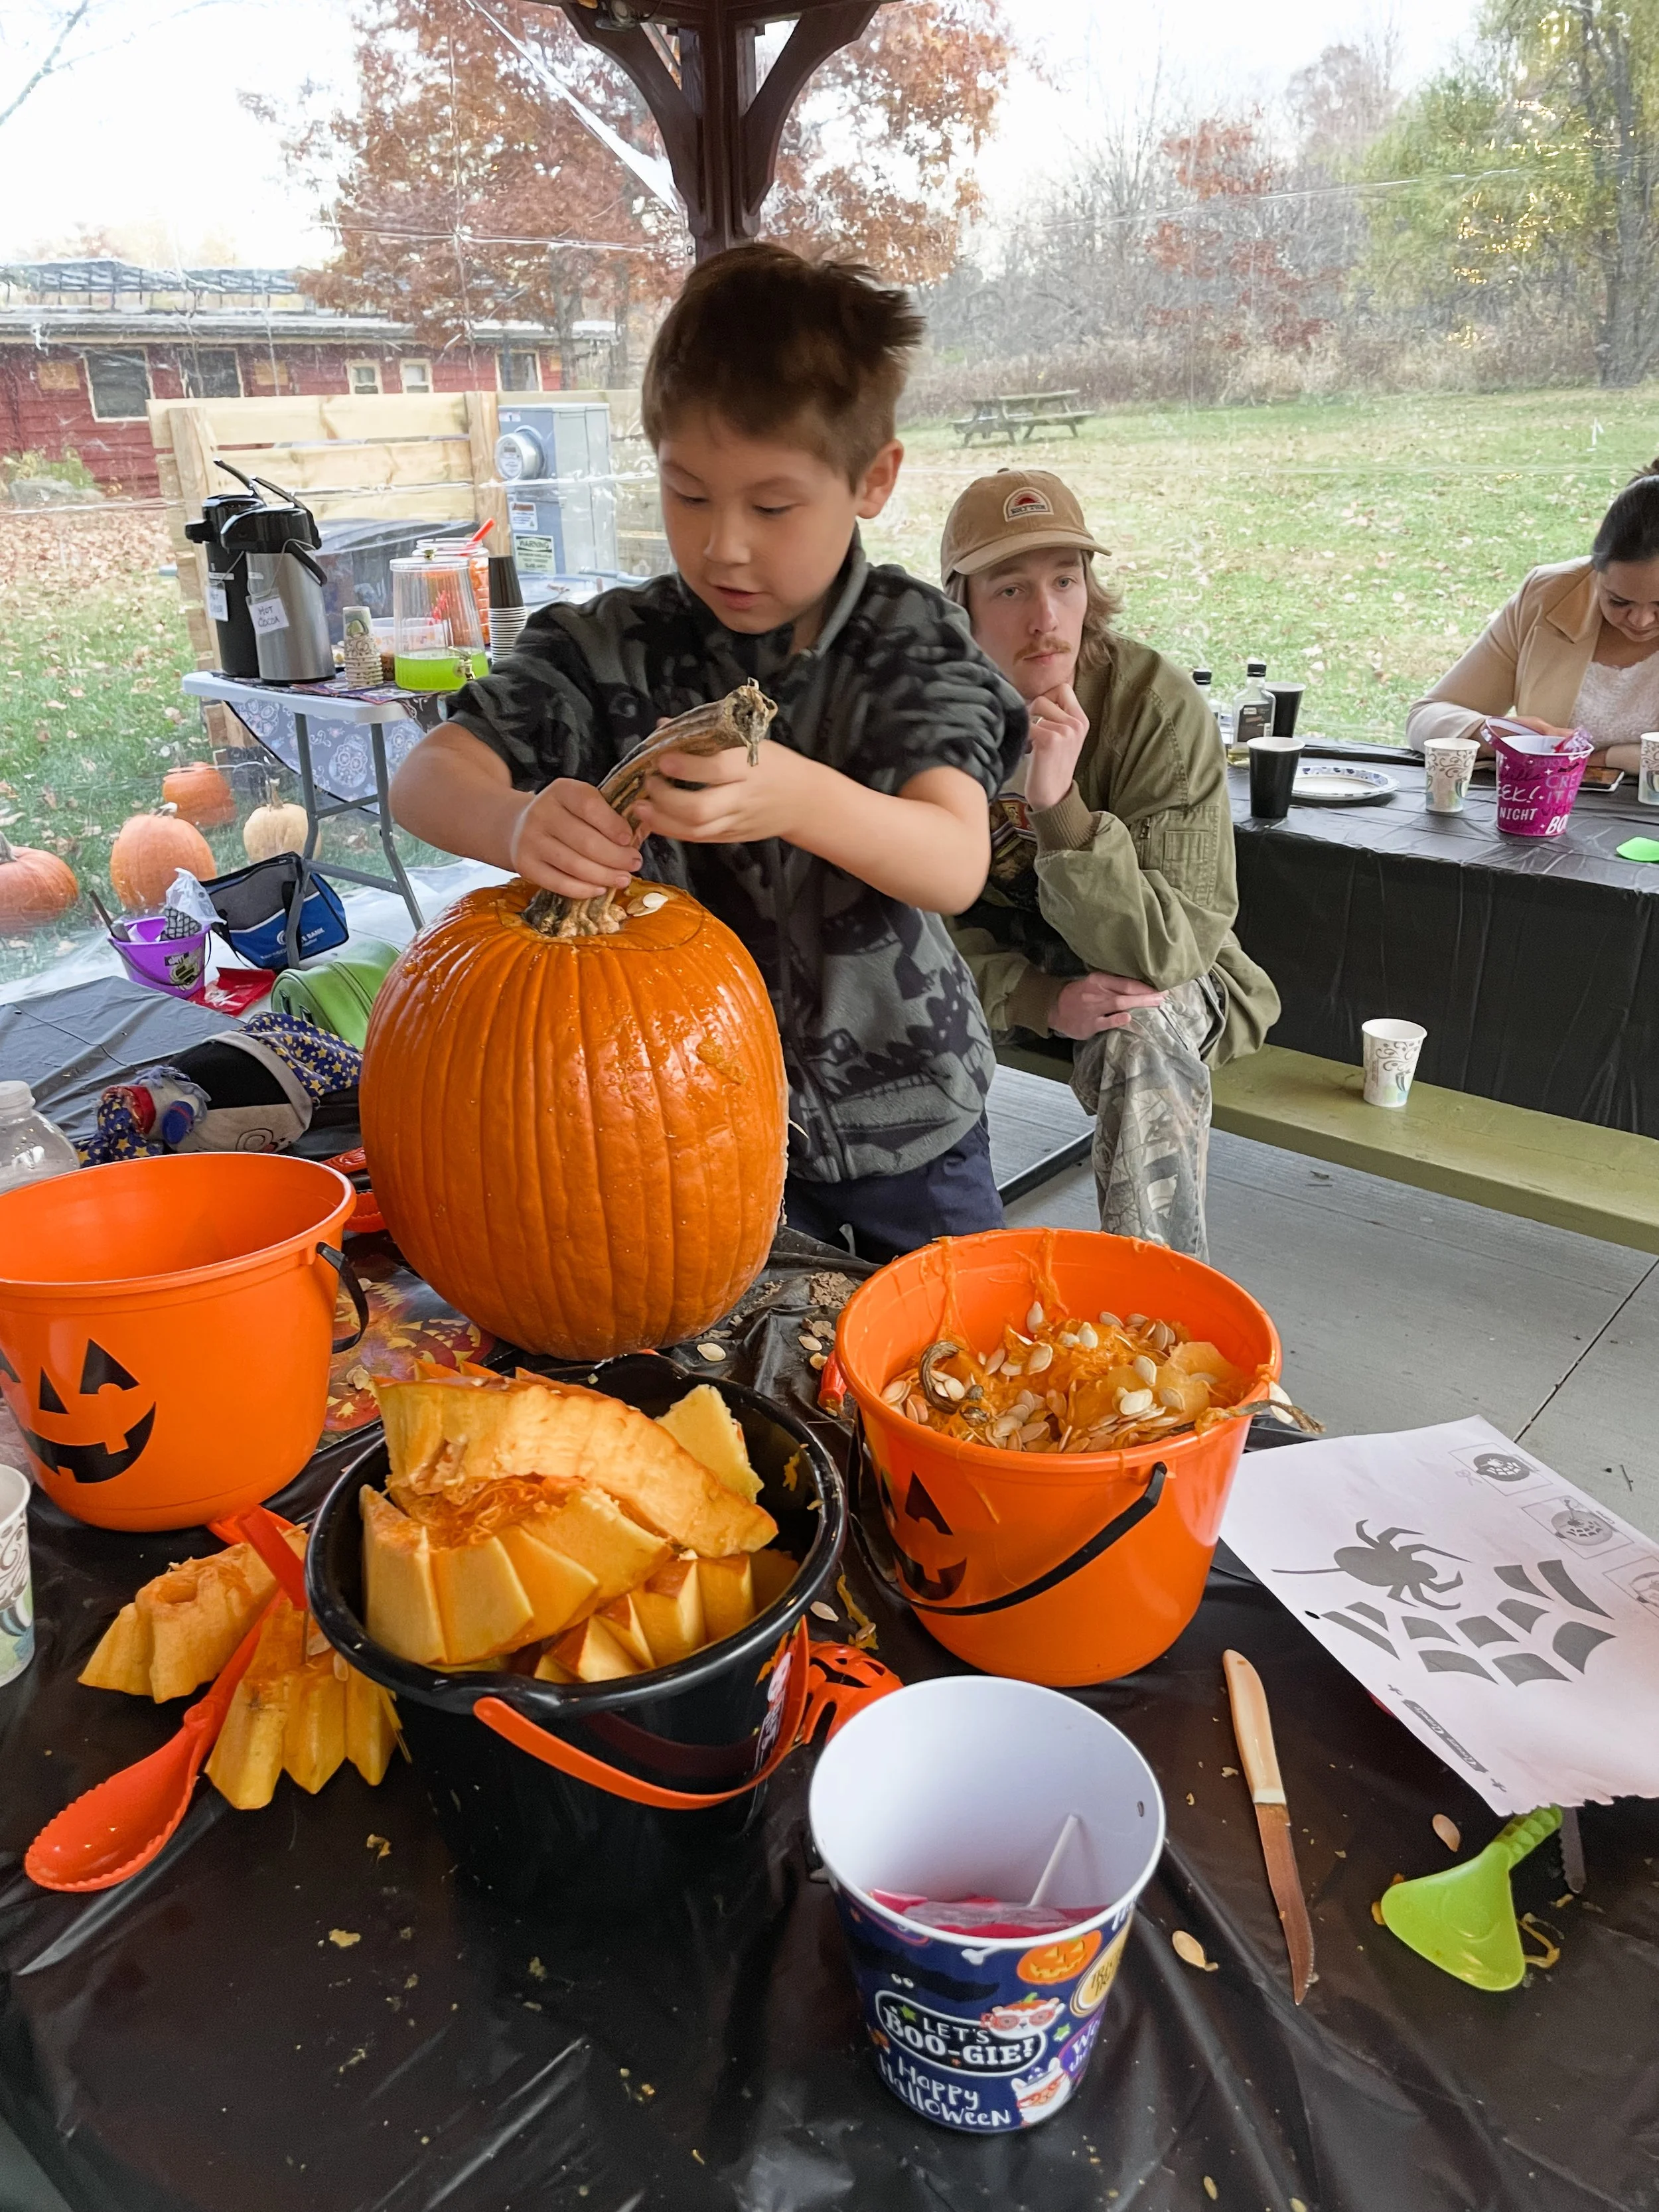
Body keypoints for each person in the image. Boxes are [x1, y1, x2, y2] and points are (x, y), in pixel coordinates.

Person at [390, 244, 1025, 1264]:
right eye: (688, 495)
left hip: (912, 1127)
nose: (725, 544)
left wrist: (798, 795)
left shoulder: (911, 638)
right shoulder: (604, 648)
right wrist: (515, 822)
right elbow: (426, 779)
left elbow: (953, 862)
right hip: (691, 1139)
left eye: (771, 507)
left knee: (939, 1367)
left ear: (874, 478)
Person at [944, 469, 1278, 1261]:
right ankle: (913, 1277)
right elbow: (897, 925)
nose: (1047, 615)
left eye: (1066, 579)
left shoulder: (1152, 705)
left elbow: (1170, 949)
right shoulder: (923, 712)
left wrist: (1058, 808)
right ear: (960, 605)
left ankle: (1157, 1317)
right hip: (995, 969)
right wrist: (1033, 995)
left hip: (1150, 970)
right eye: (1011, 589)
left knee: (1138, 1028)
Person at [1409, 461, 1659, 767]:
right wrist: (1489, 734)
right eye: (1619, 601)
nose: (1641, 620)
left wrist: (1604, 759)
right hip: (1541, 807)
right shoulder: (1550, 594)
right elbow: (1427, 716)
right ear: (1595, 570)